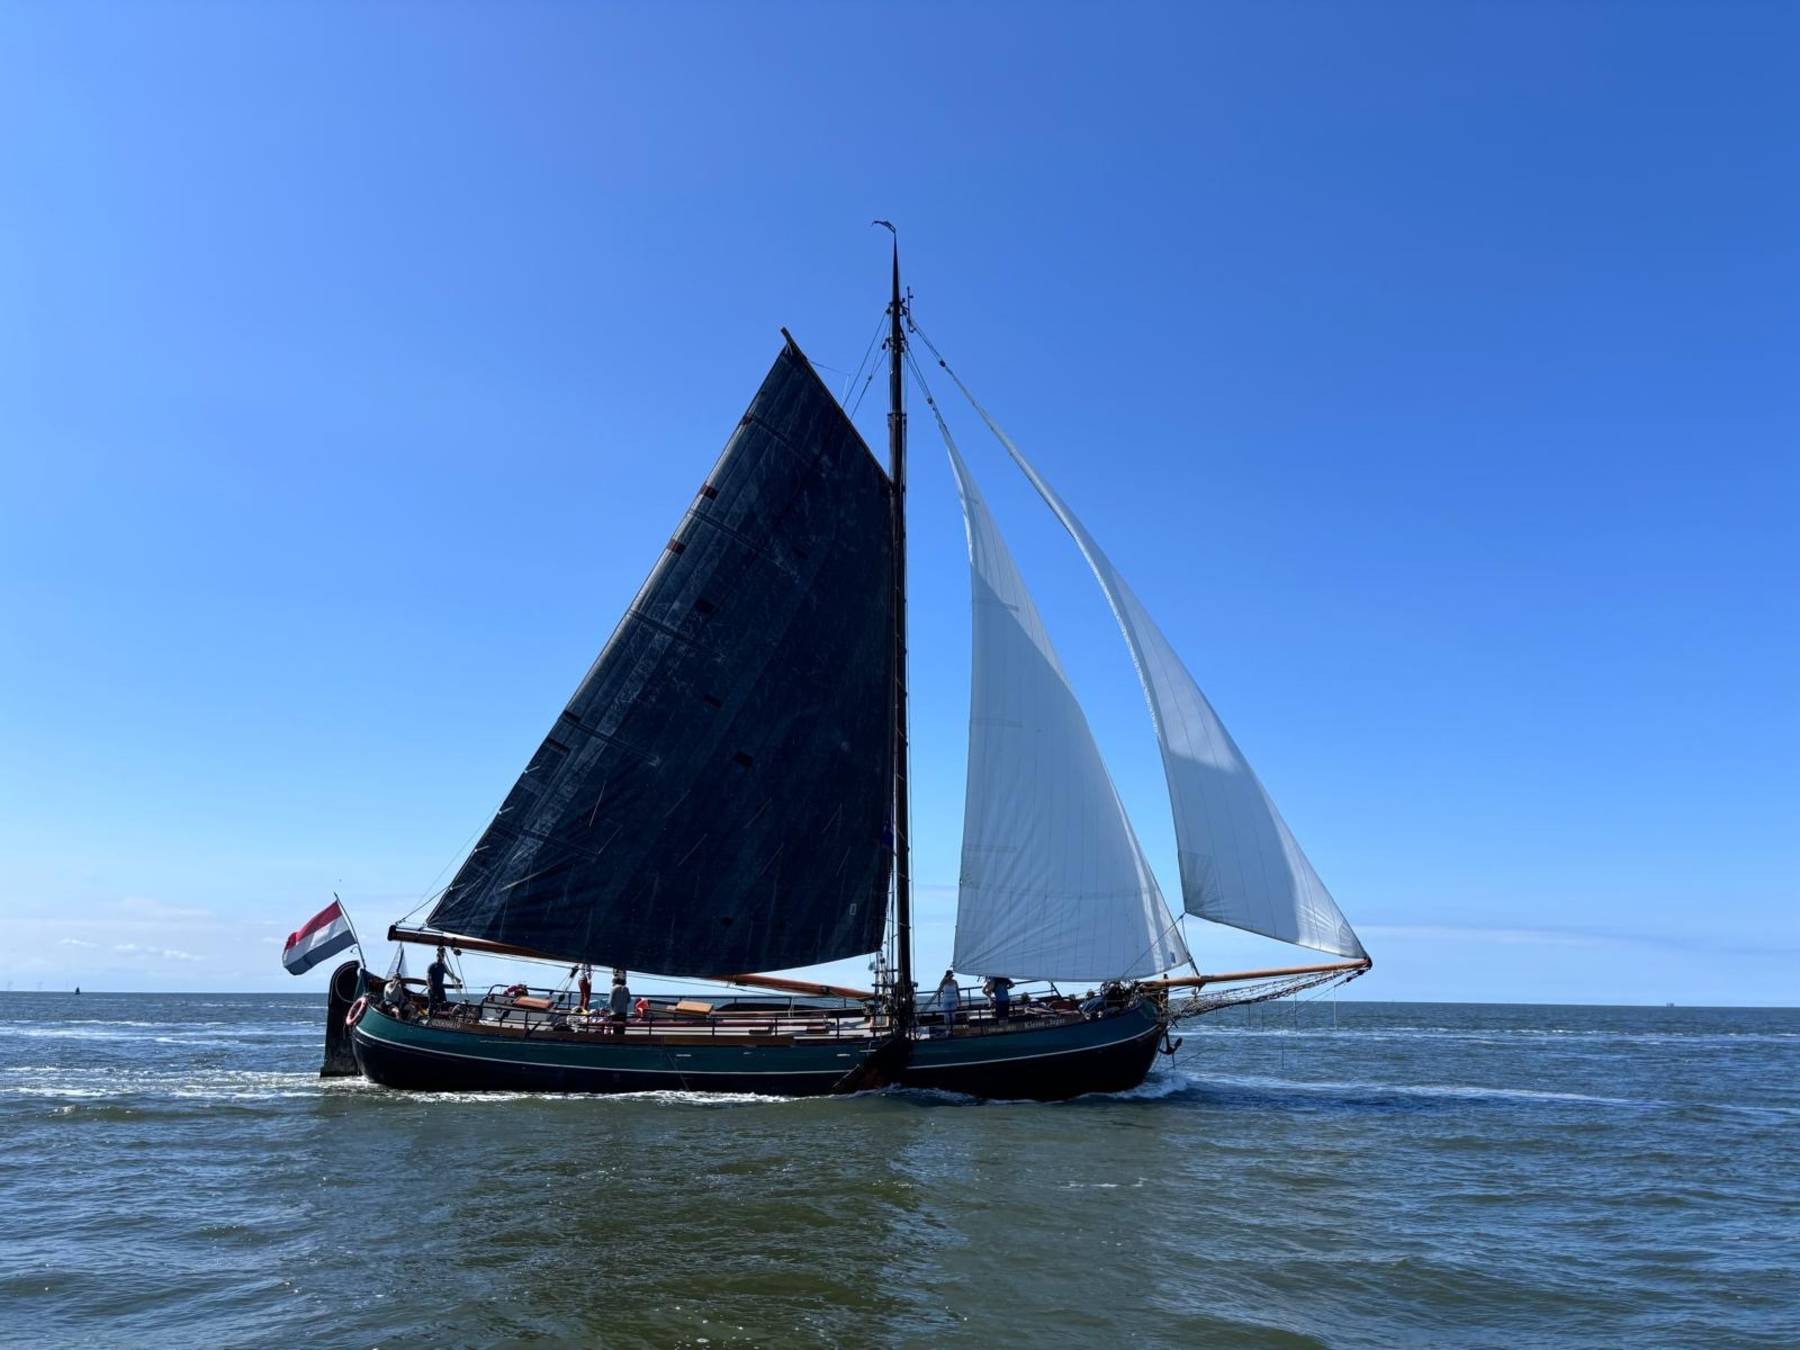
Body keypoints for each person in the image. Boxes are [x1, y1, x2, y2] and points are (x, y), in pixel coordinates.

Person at [426, 946, 454, 1013]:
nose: (440, 958)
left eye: (441, 957)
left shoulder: (443, 966)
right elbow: (428, 977)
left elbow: (450, 974)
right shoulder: (432, 966)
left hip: (440, 987)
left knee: (444, 1003)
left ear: (443, 958)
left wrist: (456, 979)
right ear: (437, 956)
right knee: (432, 1005)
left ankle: (442, 1017)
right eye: (438, 956)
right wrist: (430, 987)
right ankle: (429, 1018)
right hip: (432, 987)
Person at [609, 969, 631, 1035]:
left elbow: (610, 1001)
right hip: (623, 1012)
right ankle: (622, 1041)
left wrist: (612, 1008)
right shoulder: (626, 989)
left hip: (615, 1012)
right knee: (622, 1029)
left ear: (614, 982)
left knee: (616, 1029)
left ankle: (616, 1042)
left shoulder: (613, 988)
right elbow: (629, 1000)